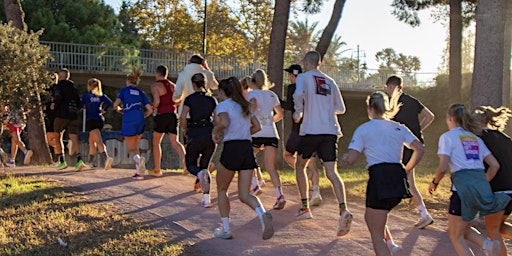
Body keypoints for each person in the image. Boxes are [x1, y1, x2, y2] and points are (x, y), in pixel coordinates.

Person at [343, 91, 425, 255]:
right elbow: (420, 148)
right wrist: (407, 168)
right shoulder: (398, 127)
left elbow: (352, 159)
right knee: (370, 218)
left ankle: (388, 247)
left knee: (377, 235)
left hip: (380, 179)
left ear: (370, 108)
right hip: (397, 178)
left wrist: (346, 157)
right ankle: (390, 243)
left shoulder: (364, 129)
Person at [428, 103, 510, 256]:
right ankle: (487, 243)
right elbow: (495, 165)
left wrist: (435, 182)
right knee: (466, 229)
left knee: (458, 235)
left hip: (469, 189)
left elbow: (443, 166)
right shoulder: (485, 138)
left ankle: (489, 244)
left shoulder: (453, 137)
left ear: (450, 118)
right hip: (491, 190)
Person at [292, 51, 351, 237]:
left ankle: (304, 207)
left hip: (311, 130)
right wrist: (324, 107)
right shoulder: (330, 81)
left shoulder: (303, 77)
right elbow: (341, 108)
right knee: (332, 172)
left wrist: (298, 111)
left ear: (307, 63)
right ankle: (343, 210)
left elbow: (298, 95)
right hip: (330, 131)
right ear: (320, 63)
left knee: (300, 166)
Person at [211, 77, 273, 240]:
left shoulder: (223, 105)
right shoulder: (244, 105)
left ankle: (225, 228)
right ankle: (262, 214)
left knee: (222, 190)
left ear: (222, 92)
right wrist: (244, 134)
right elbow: (257, 127)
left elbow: (224, 122)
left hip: (232, 148)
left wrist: (215, 131)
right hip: (246, 148)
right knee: (245, 195)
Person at [384, 74, 435, 229]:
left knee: (405, 179)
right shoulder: (412, 100)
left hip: (403, 146)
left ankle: (423, 213)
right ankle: (420, 209)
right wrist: (418, 131)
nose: (387, 91)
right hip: (415, 144)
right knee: (408, 179)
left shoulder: (393, 104)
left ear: (390, 87)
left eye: (387, 88)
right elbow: (429, 116)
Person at [466, 106, 512, 255]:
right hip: (510, 189)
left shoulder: (478, 139)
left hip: (498, 190)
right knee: (497, 226)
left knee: (493, 231)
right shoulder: (504, 137)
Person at [281, 64, 323, 206]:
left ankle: (303, 175)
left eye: (289, 75)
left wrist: (278, 101)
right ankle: (316, 191)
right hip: (313, 129)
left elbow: (289, 106)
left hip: (298, 129)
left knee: (288, 154)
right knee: (312, 163)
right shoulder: (310, 87)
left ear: (293, 76)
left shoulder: (293, 88)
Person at [247, 69, 286, 210]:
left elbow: (249, 112)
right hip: (271, 132)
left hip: (256, 132)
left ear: (253, 81)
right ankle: (280, 195)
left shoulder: (250, 94)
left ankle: (255, 184)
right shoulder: (272, 94)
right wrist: (270, 121)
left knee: (249, 158)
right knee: (271, 167)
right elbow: (280, 114)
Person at [179, 73, 217, 208]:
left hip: (195, 133)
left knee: (190, 165)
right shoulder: (211, 99)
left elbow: (183, 117)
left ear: (193, 85)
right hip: (209, 134)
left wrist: (185, 129)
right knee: (205, 166)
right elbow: (217, 119)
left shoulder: (189, 99)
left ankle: (199, 174)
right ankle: (206, 198)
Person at [113, 67, 152, 180]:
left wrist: (120, 110)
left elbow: (116, 105)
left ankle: (139, 161)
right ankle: (138, 173)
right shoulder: (141, 92)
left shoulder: (124, 91)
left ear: (127, 81)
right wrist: (143, 116)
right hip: (140, 118)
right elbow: (149, 109)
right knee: (135, 147)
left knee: (130, 148)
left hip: (129, 118)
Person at [149, 65, 186, 177]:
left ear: (157, 73)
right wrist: (172, 104)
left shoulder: (155, 85)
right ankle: (186, 163)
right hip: (173, 115)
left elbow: (157, 101)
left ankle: (157, 169)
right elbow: (179, 99)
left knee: (156, 142)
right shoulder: (173, 85)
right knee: (175, 142)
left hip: (162, 115)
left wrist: (152, 107)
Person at [52, 68, 86, 171]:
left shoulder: (58, 87)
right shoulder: (74, 89)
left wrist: (54, 105)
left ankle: (62, 161)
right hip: (73, 115)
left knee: (57, 136)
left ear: (60, 76)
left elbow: (58, 97)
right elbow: (80, 104)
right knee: (74, 138)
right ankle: (79, 160)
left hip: (61, 115)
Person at [81, 78, 113, 170]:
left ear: (89, 86)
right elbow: (109, 102)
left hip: (91, 120)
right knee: (91, 140)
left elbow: (80, 104)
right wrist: (104, 110)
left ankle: (106, 158)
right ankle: (91, 162)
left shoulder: (86, 96)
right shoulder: (101, 95)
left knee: (98, 140)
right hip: (99, 119)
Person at [44, 72, 60, 164]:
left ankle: (57, 156)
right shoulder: (57, 89)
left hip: (51, 115)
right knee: (54, 137)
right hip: (54, 115)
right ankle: (57, 155)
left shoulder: (52, 89)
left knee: (51, 137)